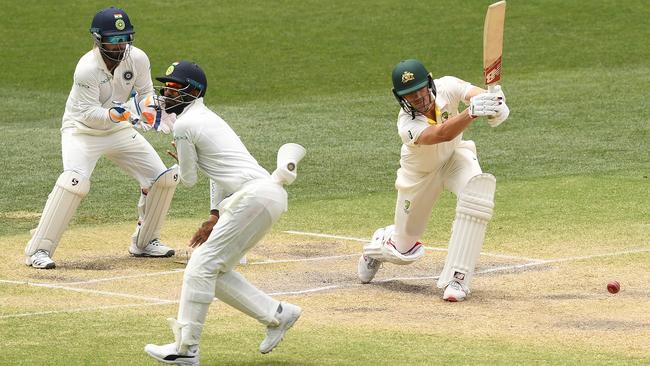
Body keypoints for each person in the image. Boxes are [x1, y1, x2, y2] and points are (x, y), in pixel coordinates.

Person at [144, 61, 306, 365]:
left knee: (201, 267)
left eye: (173, 87)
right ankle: (278, 315)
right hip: (267, 195)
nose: (166, 92)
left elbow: (189, 179)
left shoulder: (184, 125)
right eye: (166, 86)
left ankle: (186, 350)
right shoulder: (207, 118)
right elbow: (221, 174)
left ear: (193, 92)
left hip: (255, 196)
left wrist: (180, 160)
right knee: (210, 271)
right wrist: (215, 215)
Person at [24, 6, 178, 269]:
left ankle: (145, 241)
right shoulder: (87, 68)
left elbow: (145, 92)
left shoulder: (138, 59)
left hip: (118, 130)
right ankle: (38, 250)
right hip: (82, 131)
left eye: (125, 39)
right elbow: (88, 113)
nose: (120, 45)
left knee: (162, 179)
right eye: (114, 40)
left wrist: (151, 109)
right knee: (74, 182)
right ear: (98, 39)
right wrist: (123, 114)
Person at [357, 59, 510, 302]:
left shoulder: (447, 85)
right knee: (405, 252)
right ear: (400, 97)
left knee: (477, 194)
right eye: (409, 94)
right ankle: (379, 245)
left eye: (419, 88)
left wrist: (496, 102)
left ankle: (458, 280)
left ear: (429, 81)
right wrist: (473, 111)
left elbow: (473, 94)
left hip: (453, 159)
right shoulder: (406, 124)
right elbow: (442, 133)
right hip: (419, 178)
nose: (417, 97)